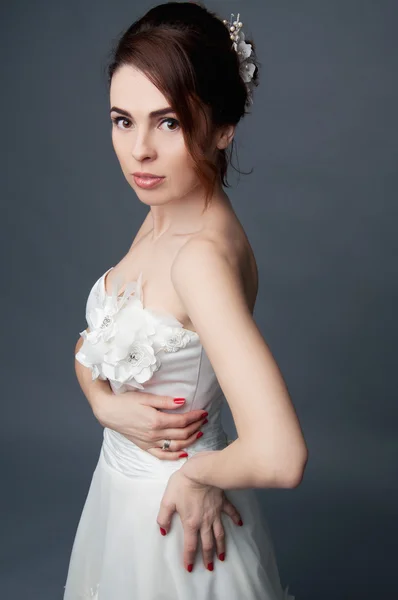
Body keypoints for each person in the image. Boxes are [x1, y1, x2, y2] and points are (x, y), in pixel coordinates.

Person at [63, 2, 308, 598]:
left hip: (170, 520)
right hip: (119, 497)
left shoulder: (199, 257)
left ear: (224, 128)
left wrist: (197, 474)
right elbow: (99, 344)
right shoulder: (164, 213)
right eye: (124, 120)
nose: (139, 150)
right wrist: (102, 404)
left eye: (168, 122)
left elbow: (280, 455)